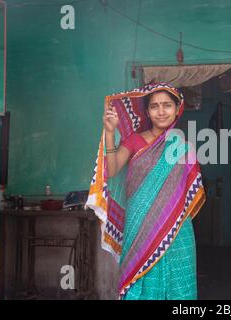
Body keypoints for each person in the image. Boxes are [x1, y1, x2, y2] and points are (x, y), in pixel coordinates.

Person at [86, 82, 206, 300]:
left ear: (177, 109)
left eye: (167, 105)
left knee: (179, 284)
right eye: (154, 106)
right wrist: (110, 132)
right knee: (140, 276)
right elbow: (112, 170)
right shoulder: (134, 140)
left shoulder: (184, 146)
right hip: (140, 223)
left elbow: (190, 193)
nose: (161, 111)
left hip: (177, 227)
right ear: (148, 111)